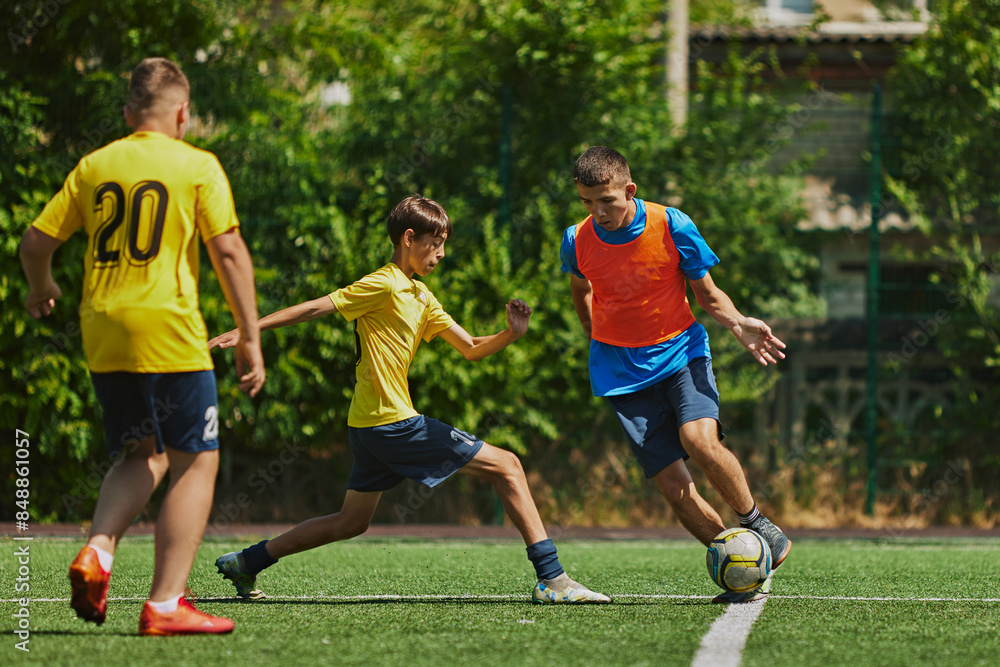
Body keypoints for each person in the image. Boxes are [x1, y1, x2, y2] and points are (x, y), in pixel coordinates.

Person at [210, 194, 609, 605]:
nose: (441, 253)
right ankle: (553, 579)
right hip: (392, 423)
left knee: (350, 522)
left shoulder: (422, 297)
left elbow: (470, 346)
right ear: (408, 238)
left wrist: (512, 334)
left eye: (444, 244)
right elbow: (316, 308)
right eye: (434, 243)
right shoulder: (384, 282)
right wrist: (248, 331)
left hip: (367, 426)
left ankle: (247, 561)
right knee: (508, 466)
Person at [19, 57, 265, 635]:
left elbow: (34, 243)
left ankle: (98, 551)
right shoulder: (198, 165)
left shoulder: (94, 165)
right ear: (183, 113)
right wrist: (250, 335)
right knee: (196, 460)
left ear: (129, 114)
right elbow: (229, 253)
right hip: (169, 331)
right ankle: (164, 604)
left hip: (102, 329)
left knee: (142, 453)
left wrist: (42, 288)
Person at [560, 146, 790, 603]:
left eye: (606, 200)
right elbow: (580, 287)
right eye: (587, 202)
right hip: (620, 370)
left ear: (629, 190)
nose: (597, 212)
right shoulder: (575, 238)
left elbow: (707, 293)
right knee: (673, 486)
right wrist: (594, 333)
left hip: (681, 352)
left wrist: (739, 322)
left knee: (699, 440)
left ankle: (755, 521)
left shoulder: (672, 224)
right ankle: (741, 564)